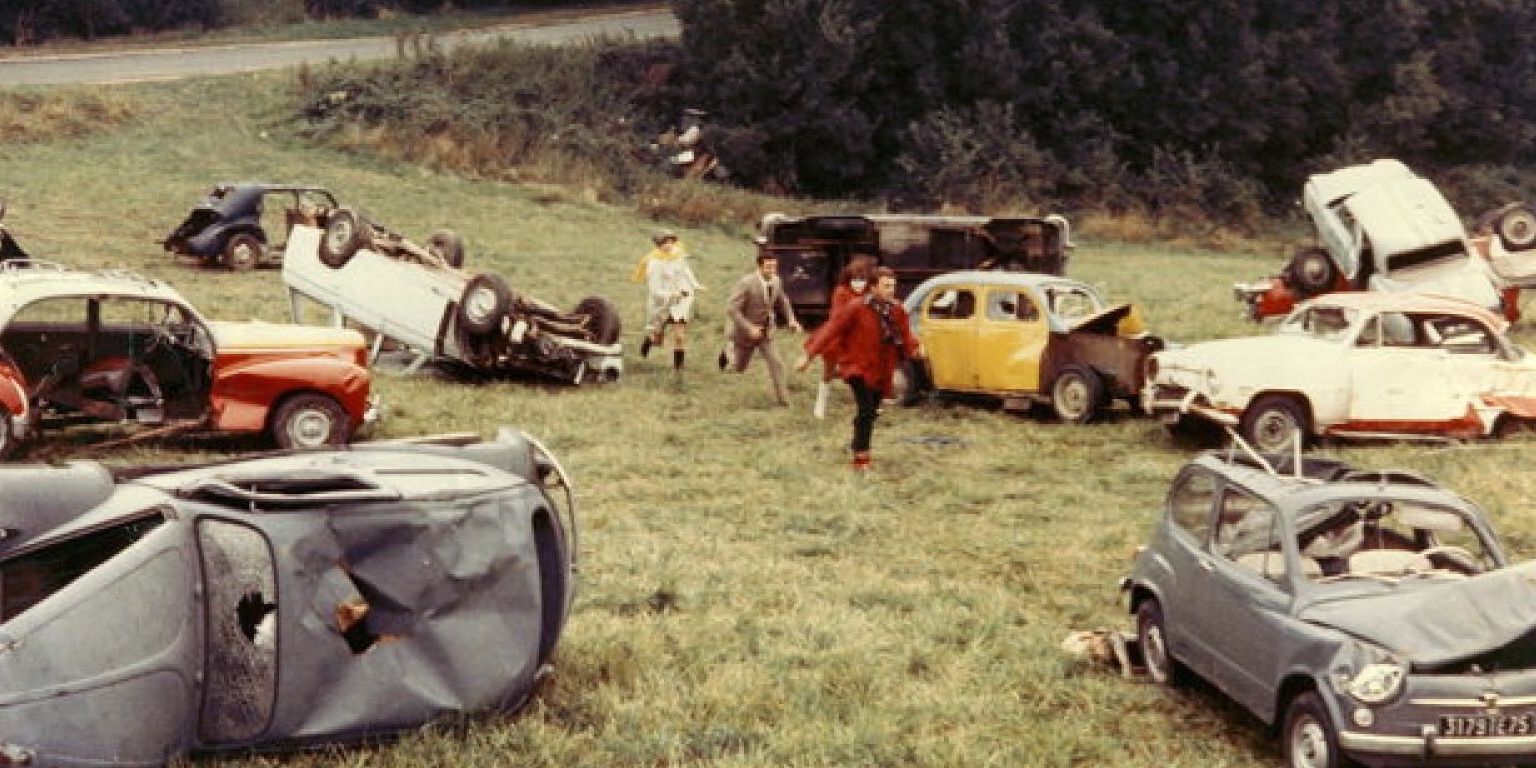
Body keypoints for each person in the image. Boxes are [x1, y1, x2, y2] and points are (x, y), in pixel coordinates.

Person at [797, 267, 922, 471]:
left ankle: (857, 441)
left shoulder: (897, 310)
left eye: (893, 286)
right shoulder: (856, 307)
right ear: (873, 287)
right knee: (865, 410)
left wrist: (915, 348)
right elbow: (832, 328)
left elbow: (906, 335)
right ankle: (861, 459)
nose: (891, 290)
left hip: (881, 368)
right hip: (856, 366)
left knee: (871, 411)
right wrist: (808, 355)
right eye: (886, 286)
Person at [724, 251, 802, 404]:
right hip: (745, 333)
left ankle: (784, 401)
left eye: (774, 267)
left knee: (776, 363)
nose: (772, 271)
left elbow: (783, 301)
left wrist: (791, 320)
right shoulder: (746, 283)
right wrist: (749, 328)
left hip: (766, 332)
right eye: (768, 267)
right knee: (739, 368)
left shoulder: (777, 281)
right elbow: (732, 309)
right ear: (759, 267)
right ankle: (728, 355)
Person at [811, 254, 876, 419]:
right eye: (855, 280)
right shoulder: (841, 292)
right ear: (848, 279)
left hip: (859, 339)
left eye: (862, 280)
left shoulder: (870, 293)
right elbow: (838, 319)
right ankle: (820, 404)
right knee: (828, 371)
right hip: (837, 338)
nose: (858, 284)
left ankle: (869, 405)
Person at [632, 230, 702, 370]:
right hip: (662, 303)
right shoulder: (653, 262)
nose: (669, 245)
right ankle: (649, 341)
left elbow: (686, 271)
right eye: (665, 242)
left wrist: (695, 284)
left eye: (671, 241)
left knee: (679, 336)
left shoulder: (679, 254)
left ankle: (678, 368)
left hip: (680, 299)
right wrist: (670, 295)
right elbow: (654, 290)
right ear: (658, 244)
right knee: (658, 340)